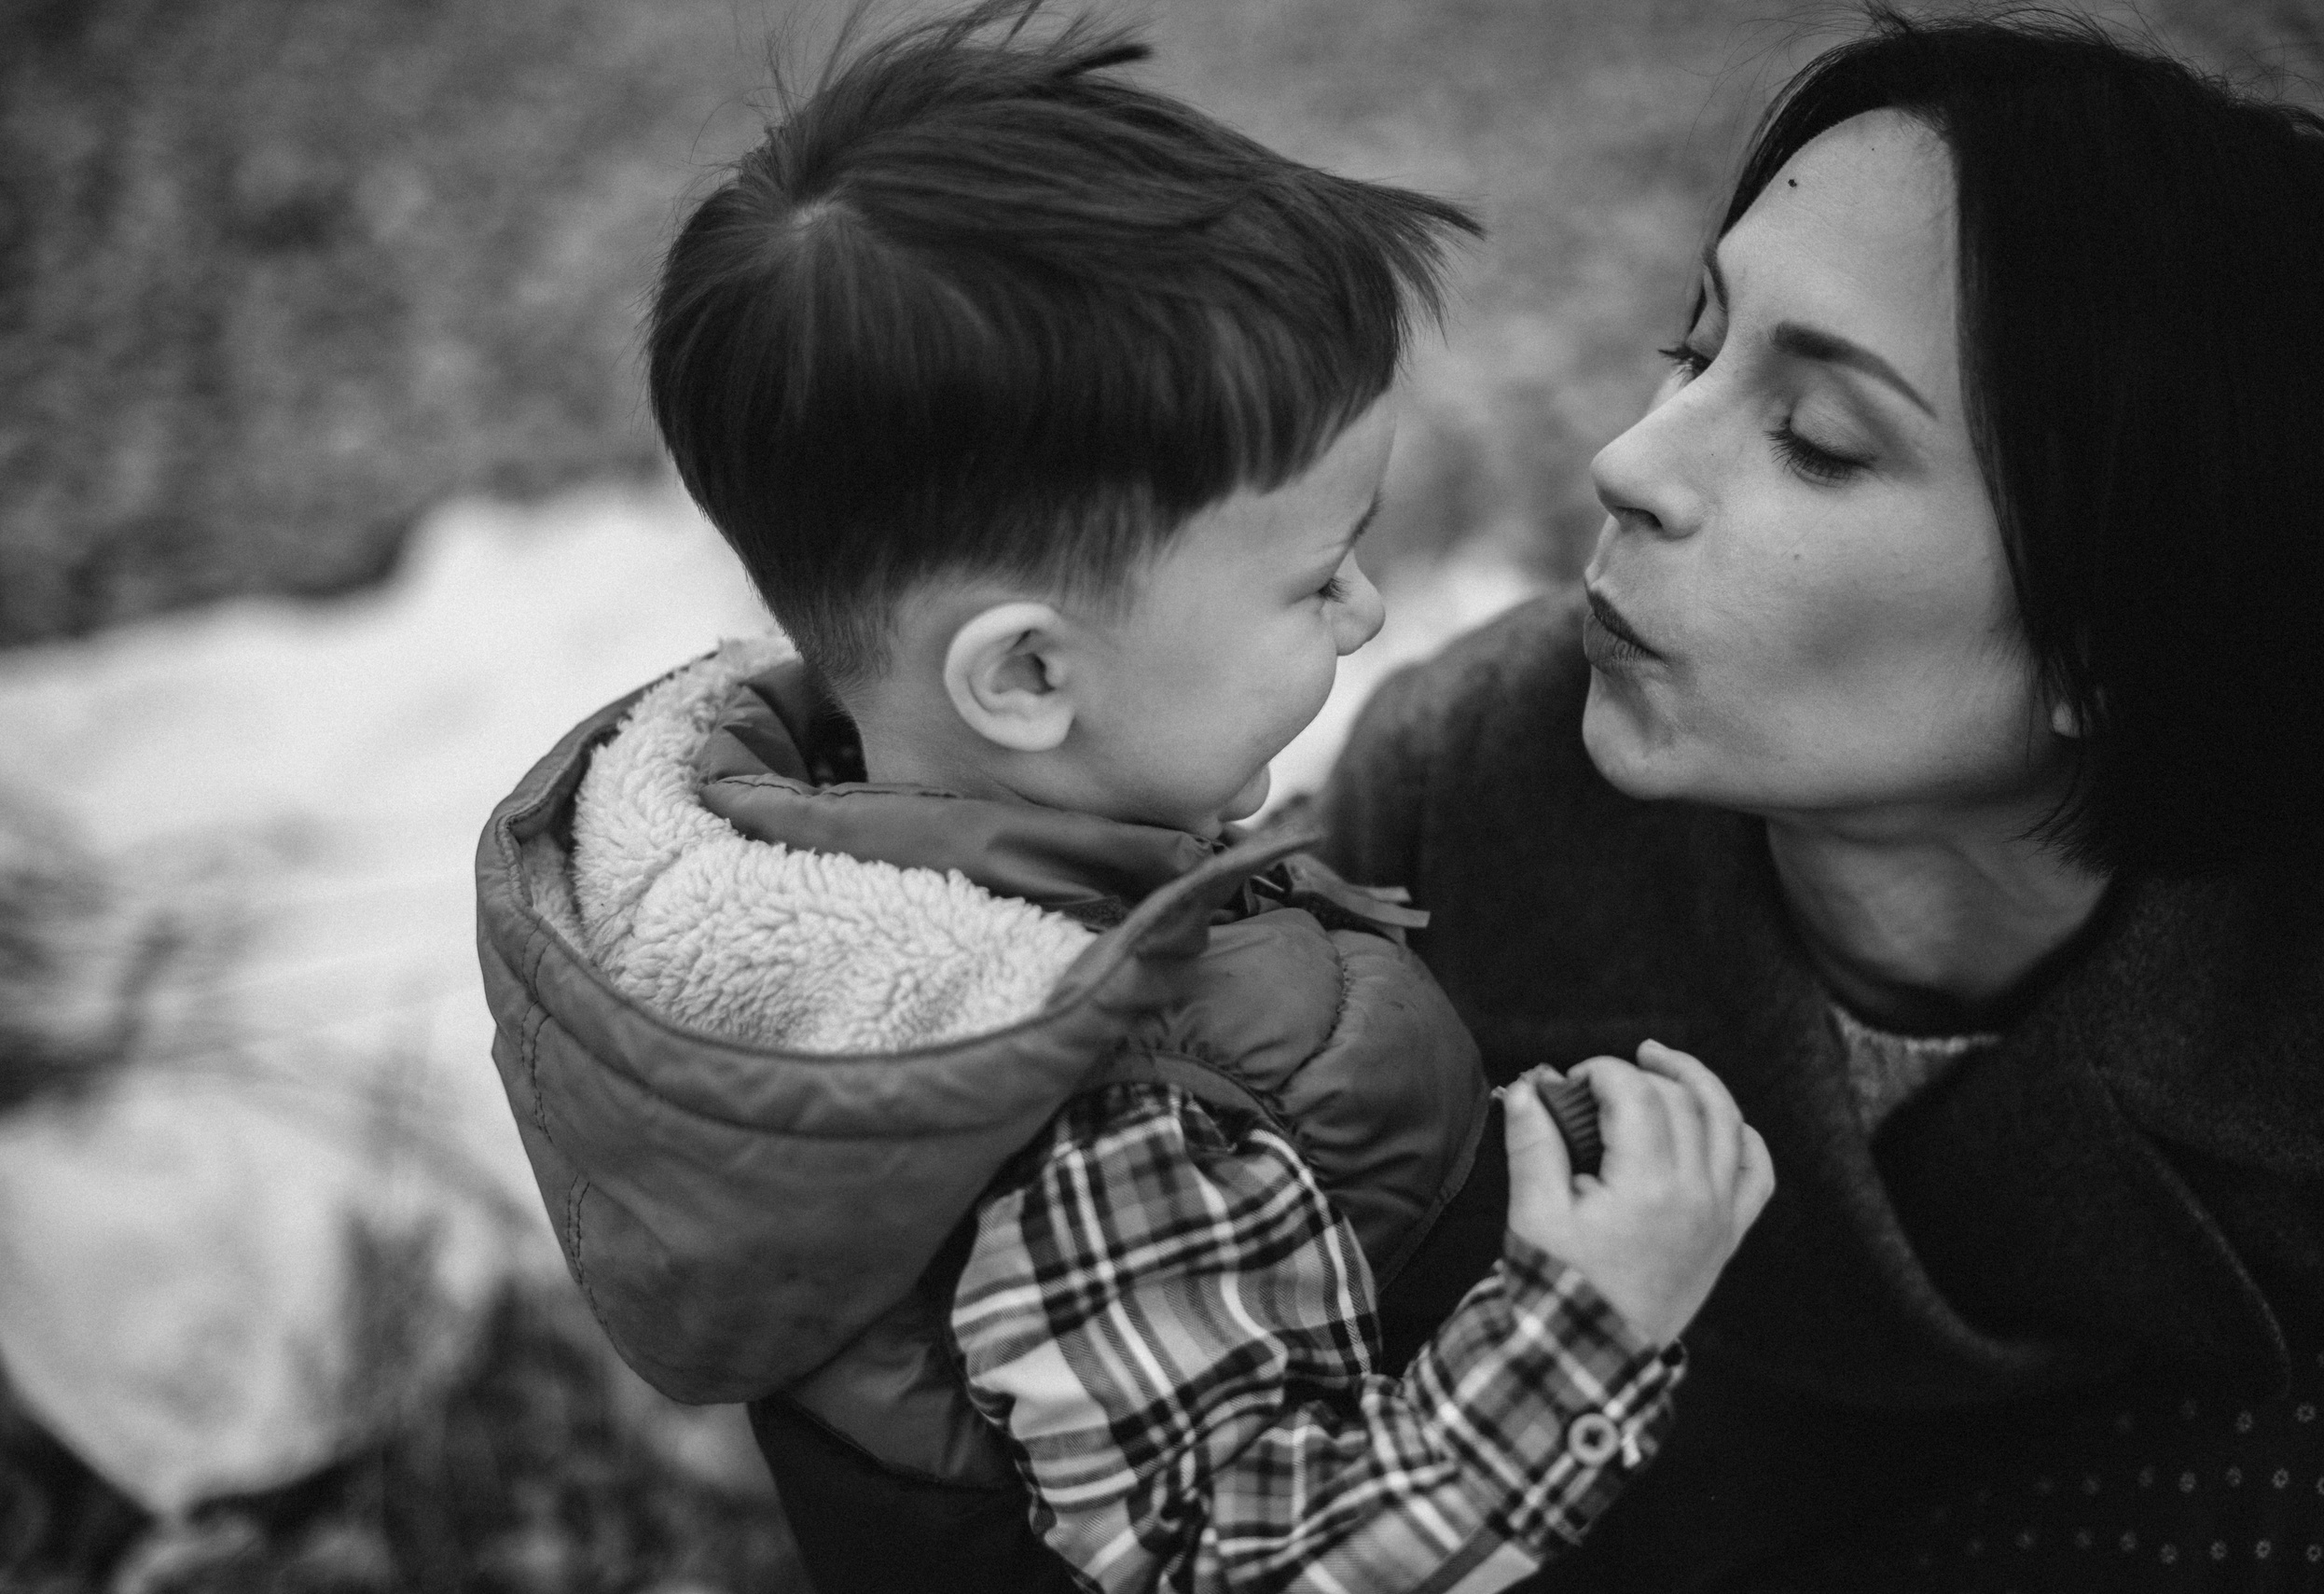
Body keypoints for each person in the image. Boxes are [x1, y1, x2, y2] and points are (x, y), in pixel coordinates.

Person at [474, 5, 1774, 1591]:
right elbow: (1242, 1564)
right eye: (1313, 578)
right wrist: (1591, 1322)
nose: (1368, 610)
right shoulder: (1094, 1112)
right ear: (1025, 679)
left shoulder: (882, 824)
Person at [1320, 10, 2324, 1591]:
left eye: (1818, 440)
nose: (1629, 460)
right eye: (1694, 347)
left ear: (2120, 636)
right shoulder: (1460, 795)